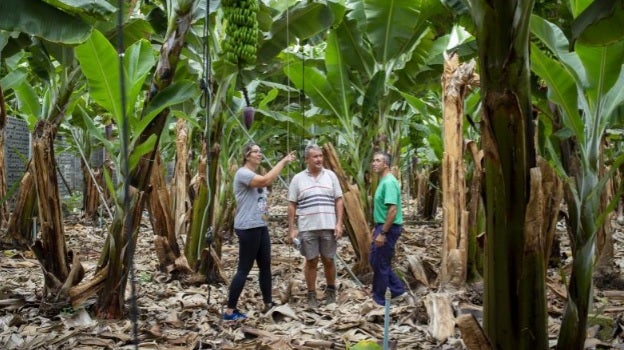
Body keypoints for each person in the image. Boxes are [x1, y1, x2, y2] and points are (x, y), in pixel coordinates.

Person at [223, 142, 296, 321]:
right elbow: (266, 181)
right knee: (244, 269)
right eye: (255, 151)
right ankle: (229, 312)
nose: (259, 154)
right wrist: (284, 161)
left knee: (265, 267)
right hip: (248, 227)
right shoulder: (243, 173)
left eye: (260, 151)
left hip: (260, 226)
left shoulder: (253, 174)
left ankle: (268, 303)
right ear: (247, 155)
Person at [288, 144, 344, 307]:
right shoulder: (298, 179)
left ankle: (331, 290)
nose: (319, 159)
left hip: (328, 225)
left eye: (320, 156)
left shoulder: (331, 176)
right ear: (307, 159)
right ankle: (311, 294)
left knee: (328, 259)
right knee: (311, 261)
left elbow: (339, 199)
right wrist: (292, 229)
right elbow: (292, 204)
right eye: (315, 156)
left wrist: (339, 223)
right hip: (307, 227)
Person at [369, 151, 406, 306]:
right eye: (373, 160)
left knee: (381, 262)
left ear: (386, 164)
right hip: (382, 225)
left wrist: (383, 232)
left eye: (378, 160)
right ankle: (398, 290)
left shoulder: (389, 182)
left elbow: (392, 210)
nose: (374, 163)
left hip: (389, 228)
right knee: (375, 260)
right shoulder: (383, 181)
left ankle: (380, 299)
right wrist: (377, 227)